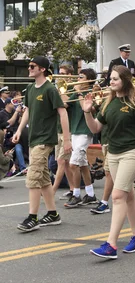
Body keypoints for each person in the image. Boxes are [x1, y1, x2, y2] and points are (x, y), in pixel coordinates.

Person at [83, 65, 135, 259]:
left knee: (117, 196)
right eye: (110, 78)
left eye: (115, 79)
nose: (111, 81)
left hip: (132, 152)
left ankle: (111, 244)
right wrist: (87, 112)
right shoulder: (108, 103)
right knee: (128, 195)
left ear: (125, 80)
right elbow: (96, 128)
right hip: (112, 154)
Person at [15, 56, 72, 232]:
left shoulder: (50, 89)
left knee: (33, 178)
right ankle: (53, 213)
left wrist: (68, 139)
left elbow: (62, 113)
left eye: (32, 66)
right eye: (29, 66)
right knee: (44, 178)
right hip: (33, 138)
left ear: (42, 69)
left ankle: (32, 217)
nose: (29, 69)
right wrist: (18, 130)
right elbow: (27, 111)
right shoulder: (30, 88)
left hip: (45, 139)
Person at [64, 69, 99, 208]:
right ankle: (90, 194)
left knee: (74, 164)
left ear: (89, 80)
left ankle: (76, 194)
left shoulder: (93, 93)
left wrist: (78, 92)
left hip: (85, 132)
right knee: (83, 165)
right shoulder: (75, 91)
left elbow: (86, 108)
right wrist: (64, 90)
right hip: (75, 131)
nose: (78, 79)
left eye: (81, 77)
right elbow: (65, 105)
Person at [54, 64, 75, 199]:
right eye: (59, 73)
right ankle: (73, 189)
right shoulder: (58, 89)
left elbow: (65, 104)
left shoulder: (73, 88)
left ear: (69, 75)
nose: (59, 76)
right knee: (63, 163)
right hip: (58, 129)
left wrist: (62, 90)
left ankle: (52, 190)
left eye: (62, 73)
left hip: (70, 130)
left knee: (62, 160)